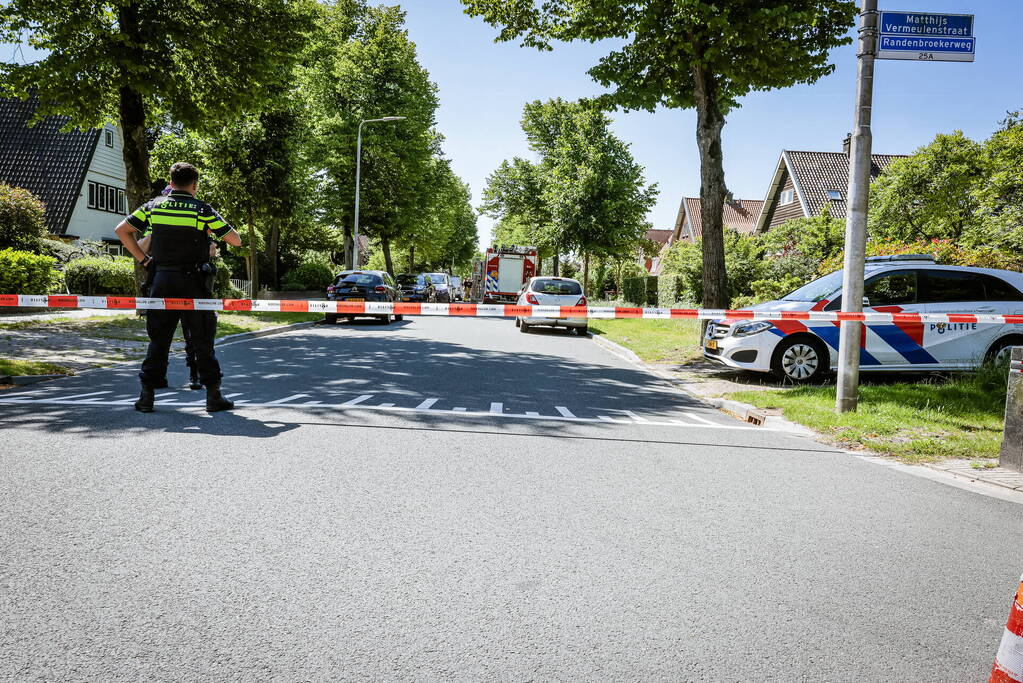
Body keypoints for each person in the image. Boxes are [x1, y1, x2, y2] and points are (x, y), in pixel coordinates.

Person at [115, 162, 242, 413]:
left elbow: (121, 231)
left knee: (159, 340)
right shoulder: (201, 209)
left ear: (171, 183)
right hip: (194, 282)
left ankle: (146, 396)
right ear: (194, 185)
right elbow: (235, 240)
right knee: (202, 339)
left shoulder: (153, 206)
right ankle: (213, 395)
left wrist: (143, 259)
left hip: (161, 280)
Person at [137, 179, 220, 391]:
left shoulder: (194, 218)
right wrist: (160, 233)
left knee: (192, 336)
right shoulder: (157, 217)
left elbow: (211, 248)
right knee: (162, 338)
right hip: (172, 281)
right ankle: (158, 382)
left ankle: (194, 375)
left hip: (181, 279)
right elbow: (141, 244)